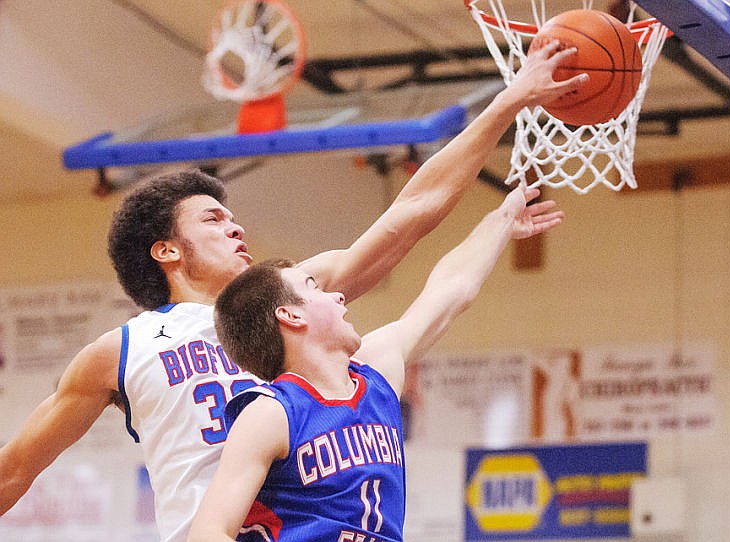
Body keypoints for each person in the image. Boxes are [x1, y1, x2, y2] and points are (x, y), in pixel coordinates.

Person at [0, 40, 586, 542]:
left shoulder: (287, 298)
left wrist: (508, 102)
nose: (236, 226)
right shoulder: (119, 351)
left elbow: (413, 212)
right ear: (166, 251)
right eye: (211, 219)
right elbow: (16, 470)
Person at [189, 181, 563, 542]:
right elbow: (207, 533)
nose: (337, 296)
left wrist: (499, 222)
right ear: (291, 316)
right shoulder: (271, 413)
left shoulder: (376, 373)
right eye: (314, 288)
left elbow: (451, 291)